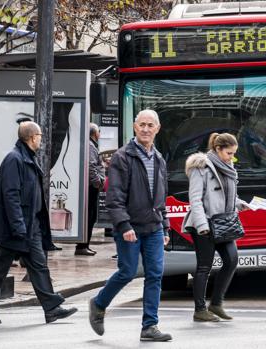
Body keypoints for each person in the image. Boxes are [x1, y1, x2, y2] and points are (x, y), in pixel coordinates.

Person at [0, 121, 78, 324]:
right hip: (15, 228)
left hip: (29, 226)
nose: (41, 138)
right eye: (40, 135)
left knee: (39, 266)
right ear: (32, 137)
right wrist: (18, 227)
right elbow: (11, 195)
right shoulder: (14, 159)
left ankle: (51, 308)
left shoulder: (27, 158)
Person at [88, 109, 172, 342]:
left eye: (150, 125)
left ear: (157, 128)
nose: (146, 129)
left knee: (155, 274)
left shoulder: (159, 158)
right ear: (135, 127)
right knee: (127, 272)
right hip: (130, 227)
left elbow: (161, 196)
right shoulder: (122, 156)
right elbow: (114, 196)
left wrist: (165, 226)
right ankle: (98, 303)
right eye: (142, 125)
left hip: (154, 227)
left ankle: (149, 326)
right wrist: (124, 225)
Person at [183, 133, 249, 322]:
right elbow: (195, 199)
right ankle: (200, 309)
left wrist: (240, 204)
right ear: (218, 149)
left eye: (234, 154)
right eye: (229, 153)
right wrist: (203, 226)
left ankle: (216, 304)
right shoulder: (200, 167)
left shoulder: (228, 166)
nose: (232, 157)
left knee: (231, 260)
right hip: (203, 223)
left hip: (223, 222)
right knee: (204, 266)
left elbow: (226, 196)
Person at [75, 123, 105, 256]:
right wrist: (98, 182)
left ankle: (84, 245)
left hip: (91, 186)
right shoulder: (91, 146)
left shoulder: (91, 145)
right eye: (99, 131)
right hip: (91, 187)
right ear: (95, 133)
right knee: (90, 216)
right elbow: (91, 167)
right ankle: (82, 245)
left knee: (90, 216)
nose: (100, 134)